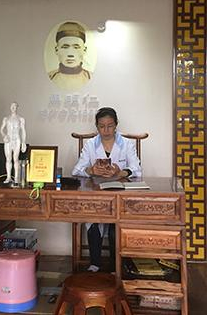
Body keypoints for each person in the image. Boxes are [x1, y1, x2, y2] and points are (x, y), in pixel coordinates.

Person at [72, 107, 142, 272]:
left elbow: (137, 169)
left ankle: (115, 265)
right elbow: (76, 170)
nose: (106, 130)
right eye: (102, 126)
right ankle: (95, 263)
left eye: (110, 126)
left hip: (120, 193)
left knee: (115, 226)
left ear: (116, 125)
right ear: (97, 126)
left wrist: (120, 172)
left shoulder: (126, 144)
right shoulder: (91, 144)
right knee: (93, 223)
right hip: (96, 194)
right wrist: (91, 170)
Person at [48, 21, 92, 90]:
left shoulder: (90, 77)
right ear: (57, 50)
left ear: (84, 50)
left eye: (76, 47)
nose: (70, 54)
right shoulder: (50, 77)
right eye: (65, 47)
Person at [0, 102, 27, 184]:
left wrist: (23, 142)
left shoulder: (21, 119)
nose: (13, 107)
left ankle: (16, 178)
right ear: (10, 107)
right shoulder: (6, 119)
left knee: (16, 159)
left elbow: (23, 131)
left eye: (15, 106)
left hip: (17, 139)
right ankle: (8, 177)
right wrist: (4, 136)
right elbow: (1, 129)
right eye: (12, 106)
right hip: (8, 140)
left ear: (17, 107)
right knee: (8, 158)